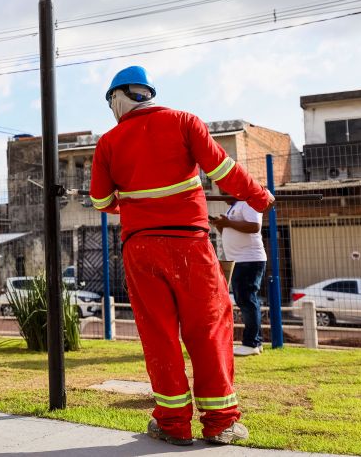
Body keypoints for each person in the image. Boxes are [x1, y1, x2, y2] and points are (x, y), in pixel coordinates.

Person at [90, 65, 274, 446]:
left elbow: (101, 200)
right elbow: (224, 170)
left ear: (117, 99)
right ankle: (221, 423)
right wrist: (261, 197)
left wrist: (134, 203)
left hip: (140, 249)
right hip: (191, 245)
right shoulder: (185, 122)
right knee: (208, 329)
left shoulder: (108, 142)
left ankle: (172, 424)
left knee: (158, 334)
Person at [211, 200, 266, 356]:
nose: (221, 193)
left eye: (224, 189)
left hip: (248, 260)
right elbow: (232, 232)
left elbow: (254, 226)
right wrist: (222, 225)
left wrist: (228, 222)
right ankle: (256, 341)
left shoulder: (248, 203)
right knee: (246, 300)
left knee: (247, 300)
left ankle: (251, 343)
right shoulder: (234, 207)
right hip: (240, 260)